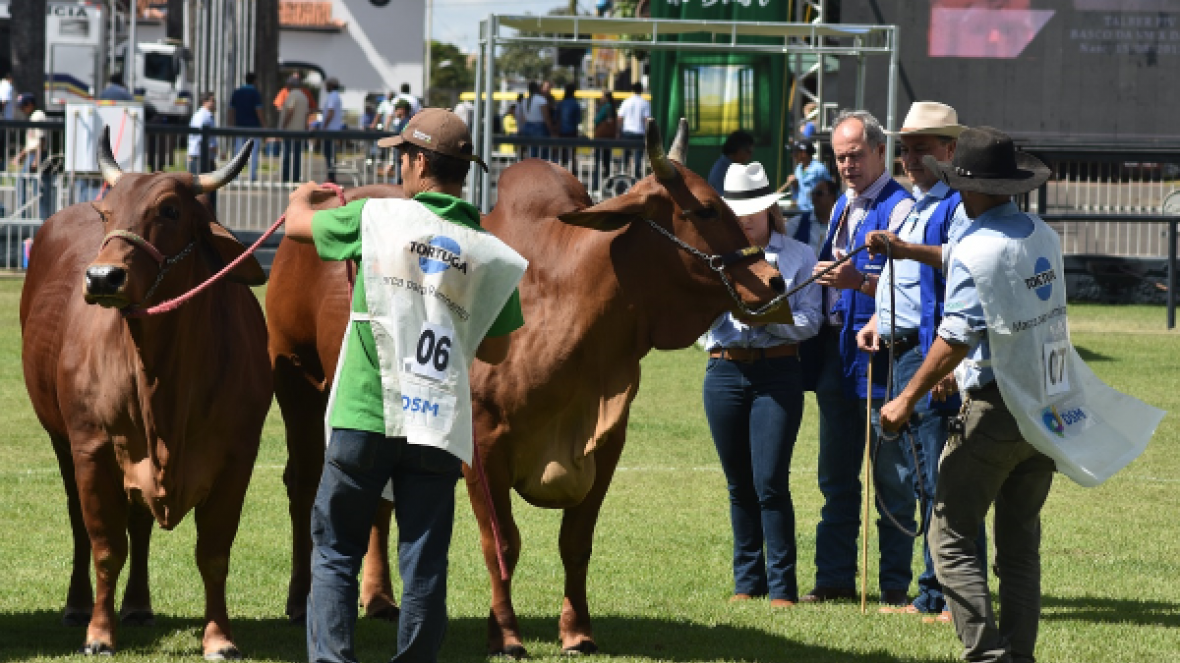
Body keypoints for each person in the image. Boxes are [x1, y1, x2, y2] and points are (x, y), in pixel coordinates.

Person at [283, 107, 527, 663]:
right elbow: (496, 351)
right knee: (424, 563)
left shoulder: (377, 216)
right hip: (436, 424)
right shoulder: (489, 250)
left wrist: (303, 196)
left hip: (365, 412)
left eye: (401, 156)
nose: (398, 167)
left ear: (418, 162)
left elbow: (297, 225)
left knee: (336, 552)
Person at [876, 127, 1058, 663]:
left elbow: (956, 334)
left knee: (949, 536)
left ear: (969, 186)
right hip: (1044, 404)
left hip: (995, 407)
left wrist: (905, 398)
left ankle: (986, 656)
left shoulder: (978, 245)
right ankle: (1019, 655)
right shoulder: (1041, 234)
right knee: (1020, 545)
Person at [855, 102, 979, 623]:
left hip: (931, 352)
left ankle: (951, 597)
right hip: (898, 350)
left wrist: (948, 365)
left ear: (950, 150)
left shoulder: (956, 205)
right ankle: (931, 593)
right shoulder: (912, 205)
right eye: (905, 149)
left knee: (941, 479)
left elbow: (962, 267)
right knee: (923, 478)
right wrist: (877, 321)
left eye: (921, 149)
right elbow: (899, 279)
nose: (909, 158)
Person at [801, 109, 916, 607]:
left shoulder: (901, 207)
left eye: (855, 155)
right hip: (836, 353)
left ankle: (893, 586)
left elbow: (911, 287)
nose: (847, 165)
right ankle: (833, 579)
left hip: (881, 357)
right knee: (835, 475)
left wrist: (859, 282)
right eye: (840, 157)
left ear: (879, 152)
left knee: (892, 477)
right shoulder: (841, 205)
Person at [703, 161, 822, 609]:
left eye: (750, 209)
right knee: (739, 483)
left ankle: (782, 587)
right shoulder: (714, 258)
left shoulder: (800, 255)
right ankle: (746, 582)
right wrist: (718, 327)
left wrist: (768, 321)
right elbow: (700, 319)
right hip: (724, 371)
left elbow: (812, 321)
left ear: (769, 208)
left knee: (770, 480)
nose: (743, 219)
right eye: (734, 212)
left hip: (778, 371)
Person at [11, 93, 54, 219]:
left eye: (23, 106)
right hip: (32, 155)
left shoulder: (38, 115)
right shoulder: (33, 116)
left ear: (30, 104)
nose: (22, 109)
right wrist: (21, 155)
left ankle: (43, 217)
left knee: (39, 189)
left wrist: (36, 160)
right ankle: (24, 215)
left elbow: (41, 140)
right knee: (23, 184)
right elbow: (31, 142)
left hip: (37, 155)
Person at [785, 178, 838, 257]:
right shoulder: (798, 223)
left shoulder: (841, 225)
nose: (814, 197)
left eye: (819, 193)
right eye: (813, 193)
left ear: (832, 197)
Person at [228, 72, 265, 181]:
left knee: (238, 152)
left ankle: (236, 176)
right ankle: (252, 176)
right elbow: (258, 110)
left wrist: (230, 125)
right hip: (253, 127)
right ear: (255, 81)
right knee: (253, 152)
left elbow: (231, 110)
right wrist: (264, 125)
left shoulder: (237, 92)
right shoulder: (255, 93)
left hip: (239, 126)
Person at [187, 92, 218, 207]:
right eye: (212, 101)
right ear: (205, 102)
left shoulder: (206, 115)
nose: (215, 103)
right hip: (200, 158)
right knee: (203, 193)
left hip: (204, 157)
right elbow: (200, 137)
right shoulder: (203, 116)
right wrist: (212, 148)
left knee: (208, 191)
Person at [784, 140, 831, 213]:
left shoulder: (819, 169)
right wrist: (794, 183)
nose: (793, 155)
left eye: (795, 152)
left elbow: (831, 189)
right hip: (801, 209)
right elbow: (798, 189)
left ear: (804, 153)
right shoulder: (798, 168)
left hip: (815, 211)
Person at [279, 75, 311, 182]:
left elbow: (290, 110)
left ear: (291, 85)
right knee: (297, 155)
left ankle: (286, 176)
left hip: (290, 130)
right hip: (300, 131)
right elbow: (306, 115)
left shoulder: (292, 95)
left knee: (287, 155)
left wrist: (283, 126)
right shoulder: (304, 96)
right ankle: (296, 176)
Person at [616, 82, 651, 178]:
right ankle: (636, 176)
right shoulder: (645, 103)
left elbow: (620, 117)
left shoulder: (626, 102)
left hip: (627, 131)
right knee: (638, 156)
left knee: (625, 155)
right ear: (641, 90)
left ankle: (622, 175)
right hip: (639, 132)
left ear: (632, 90)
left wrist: (618, 131)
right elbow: (646, 119)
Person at [707, 130, 755, 195]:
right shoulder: (722, 172)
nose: (750, 157)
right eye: (748, 152)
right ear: (737, 149)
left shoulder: (733, 168)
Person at [520, 81, 556, 159]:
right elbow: (546, 117)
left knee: (530, 152)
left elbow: (524, 117)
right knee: (541, 152)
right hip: (539, 127)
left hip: (527, 126)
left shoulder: (525, 101)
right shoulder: (541, 100)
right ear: (538, 89)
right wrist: (552, 131)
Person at [591, 90, 617, 191]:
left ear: (606, 98)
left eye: (602, 96)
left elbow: (596, 120)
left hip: (601, 138)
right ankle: (609, 184)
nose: (601, 98)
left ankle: (596, 184)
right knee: (607, 162)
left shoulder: (606, 107)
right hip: (609, 138)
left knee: (598, 161)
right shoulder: (612, 108)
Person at [321, 77, 344, 184]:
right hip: (334, 129)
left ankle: (331, 176)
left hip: (330, 130)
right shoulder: (336, 96)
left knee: (329, 153)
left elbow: (330, 112)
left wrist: (324, 126)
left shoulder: (332, 96)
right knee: (331, 154)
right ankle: (331, 175)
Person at [556, 82, 582, 170]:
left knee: (561, 154)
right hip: (572, 132)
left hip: (561, 132)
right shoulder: (575, 104)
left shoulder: (561, 103)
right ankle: (573, 171)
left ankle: (561, 171)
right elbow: (578, 120)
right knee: (572, 154)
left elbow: (556, 118)